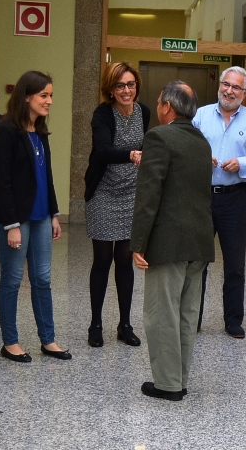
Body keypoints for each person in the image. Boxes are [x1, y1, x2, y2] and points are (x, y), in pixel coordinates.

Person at [131, 82, 214, 401]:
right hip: (199, 241)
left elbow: (149, 195)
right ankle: (179, 378)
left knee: (161, 313)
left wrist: (138, 242)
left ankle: (167, 385)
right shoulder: (201, 142)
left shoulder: (158, 137)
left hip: (168, 242)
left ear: (167, 106)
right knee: (186, 314)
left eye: (158, 102)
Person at [0, 71, 71, 363]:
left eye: (51, 95)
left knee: (42, 278)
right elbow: (1, 182)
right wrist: (11, 225)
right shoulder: (8, 131)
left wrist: (53, 213)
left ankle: (48, 339)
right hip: (15, 219)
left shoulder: (40, 132)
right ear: (27, 97)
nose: (49, 101)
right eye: (44, 96)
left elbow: (46, 177)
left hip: (40, 217)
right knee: (12, 280)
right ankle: (10, 342)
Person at [191, 66, 246, 338]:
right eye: (226, 84)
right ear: (219, 85)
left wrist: (242, 162)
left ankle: (233, 321)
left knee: (234, 263)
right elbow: (187, 147)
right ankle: (192, 319)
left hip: (235, 198)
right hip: (201, 196)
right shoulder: (200, 115)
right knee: (197, 261)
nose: (229, 91)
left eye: (236, 87)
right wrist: (201, 156)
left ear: (245, 93)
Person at [83, 62, 151, 348]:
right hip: (103, 192)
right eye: (120, 86)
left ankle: (125, 324)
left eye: (131, 84)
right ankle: (95, 324)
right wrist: (133, 155)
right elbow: (103, 151)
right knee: (102, 260)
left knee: (125, 260)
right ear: (111, 90)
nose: (127, 90)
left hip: (132, 194)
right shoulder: (102, 114)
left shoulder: (143, 112)